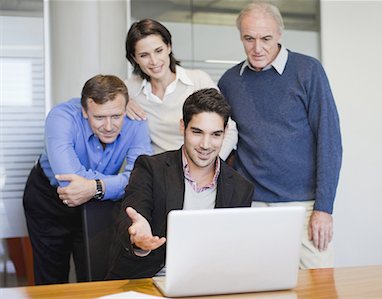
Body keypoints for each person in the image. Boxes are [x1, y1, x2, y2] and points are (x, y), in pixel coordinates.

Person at [218, 1, 342, 269]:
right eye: (249, 39)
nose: (257, 48)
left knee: (319, 286)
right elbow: (224, 140)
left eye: (266, 39)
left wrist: (324, 207)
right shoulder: (230, 81)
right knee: (259, 285)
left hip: (306, 206)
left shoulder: (308, 71)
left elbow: (330, 141)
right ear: (241, 37)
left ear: (280, 35)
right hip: (253, 206)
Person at [106, 88, 254, 279]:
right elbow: (132, 217)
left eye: (215, 134)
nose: (206, 145)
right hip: (150, 279)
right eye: (197, 132)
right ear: (182, 127)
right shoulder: (151, 168)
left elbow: (234, 251)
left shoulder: (241, 188)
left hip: (210, 283)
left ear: (225, 133)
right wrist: (139, 240)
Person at [22, 74, 153, 285]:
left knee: (96, 274)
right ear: (85, 111)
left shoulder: (136, 122)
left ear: (126, 107)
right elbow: (69, 182)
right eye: (99, 118)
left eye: (116, 116)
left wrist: (97, 187)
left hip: (99, 201)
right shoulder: (61, 117)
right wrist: (117, 182)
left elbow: (140, 178)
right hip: (49, 200)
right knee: (51, 279)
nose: (109, 126)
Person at [124, 18, 238, 159]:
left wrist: (211, 167)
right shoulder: (129, 89)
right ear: (135, 59)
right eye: (144, 55)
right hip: (158, 171)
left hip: (200, 168)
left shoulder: (198, 80)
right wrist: (122, 103)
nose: (154, 61)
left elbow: (230, 131)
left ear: (169, 47)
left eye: (158, 51)